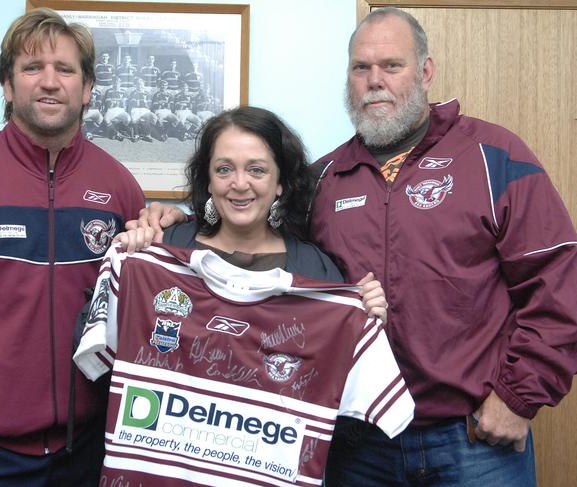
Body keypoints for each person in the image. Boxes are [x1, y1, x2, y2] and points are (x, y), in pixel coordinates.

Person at [122, 7, 577, 486]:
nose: (374, 81)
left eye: (391, 66)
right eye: (361, 68)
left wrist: (518, 397)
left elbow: (559, 284)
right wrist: (173, 223)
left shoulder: (494, 157)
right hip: (358, 447)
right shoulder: (322, 180)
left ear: (425, 72)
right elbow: (254, 237)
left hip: (471, 441)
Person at [81, 106, 406, 486]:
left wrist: (358, 324)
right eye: (224, 169)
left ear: (281, 181)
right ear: (208, 179)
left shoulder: (316, 274)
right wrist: (127, 262)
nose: (239, 183)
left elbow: (342, 414)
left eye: (257, 169)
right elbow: (93, 352)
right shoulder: (160, 248)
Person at [0, 8, 145, 485]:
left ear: (87, 89)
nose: (50, 82)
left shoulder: (119, 187)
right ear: (7, 86)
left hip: (84, 449)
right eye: (32, 68)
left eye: (65, 70)